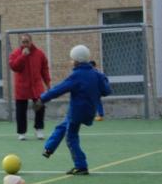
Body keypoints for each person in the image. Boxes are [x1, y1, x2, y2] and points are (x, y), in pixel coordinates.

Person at [35, 45, 111, 175]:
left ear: (76, 61)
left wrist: (42, 99)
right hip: (89, 111)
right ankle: (48, 149)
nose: (71, 61)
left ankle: (81, 166)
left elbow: (59, 89)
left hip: (77, 112)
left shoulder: (76, 75)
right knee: (62, 126)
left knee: (71, 137)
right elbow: (106, 91)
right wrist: (102, 76)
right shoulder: (96, 74)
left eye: (72, 59)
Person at [8, 33, 51, 140]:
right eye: (23, 42)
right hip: (21, 87)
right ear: (21, 43)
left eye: (27, 42)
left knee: (40, 107)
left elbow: (44, 69)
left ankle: (39, 129)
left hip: (36, 86)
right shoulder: (15, 53)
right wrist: (23, 56)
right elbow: (14, 67)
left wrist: (48, 83)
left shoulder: (39, 53)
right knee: (21, 111)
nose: (25, 44)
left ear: (31, 42)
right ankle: (22, 132)